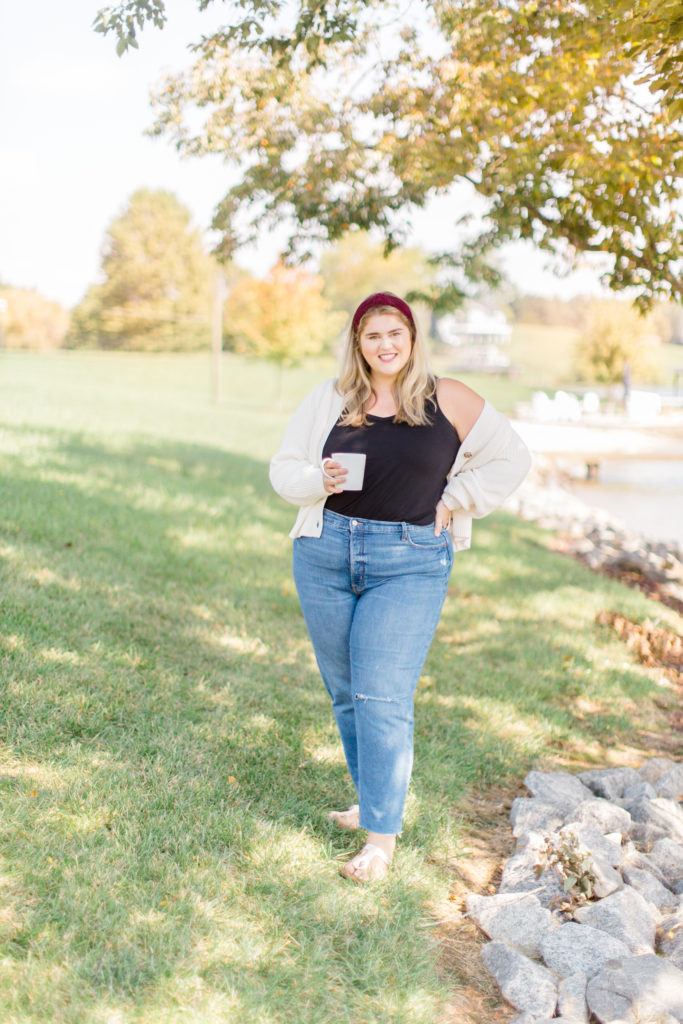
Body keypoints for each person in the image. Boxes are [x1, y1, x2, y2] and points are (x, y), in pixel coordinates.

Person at [269, 292, 531, 883]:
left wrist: (456, 500)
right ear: (357, 344)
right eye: (372, 336)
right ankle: (371, 799)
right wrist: (319, 478)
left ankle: (380, 841)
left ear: (412, 338)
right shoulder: (331, 399)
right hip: (326, 550)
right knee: (345, 691)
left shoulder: (450, 398)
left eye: (395, 333)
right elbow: (283, 469)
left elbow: (512, 459)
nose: (385, 345)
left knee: (383, 694)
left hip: (410, 558)